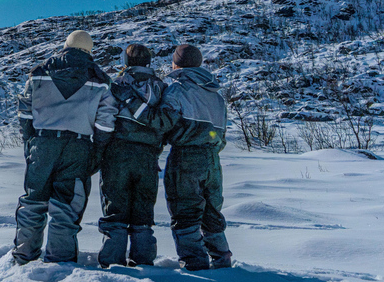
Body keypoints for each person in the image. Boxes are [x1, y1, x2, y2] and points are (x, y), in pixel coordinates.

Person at [13, 30, 118, 265]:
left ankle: (24, 258)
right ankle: (59, 264)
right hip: (78, 147)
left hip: (42, 144)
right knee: (66, 207)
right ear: (89, 50)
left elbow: (25, 110)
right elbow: (105, 121)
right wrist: (98, 151)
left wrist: (31, 141)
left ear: (65, 46)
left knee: (33, 203)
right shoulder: (100, 80)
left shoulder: (39, 72)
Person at [154, 44, 232, 270]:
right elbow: (221, 135)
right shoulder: (216, 96)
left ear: (176, 63)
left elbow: (164, 124)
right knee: (212, 212)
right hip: (212, 160)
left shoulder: (177, 90)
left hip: (186, 157)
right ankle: (222, 261)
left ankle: (195, 264)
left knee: (185, 212)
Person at [97, 44, 167, 268]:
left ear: (124, 61)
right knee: (143, 212)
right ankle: (144, 262)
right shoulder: (161, 87)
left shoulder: (116, 84)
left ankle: (111, 263)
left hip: (117, 154)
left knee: (115, 210)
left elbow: (105, 115)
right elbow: (167, 123)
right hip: (148, 156)